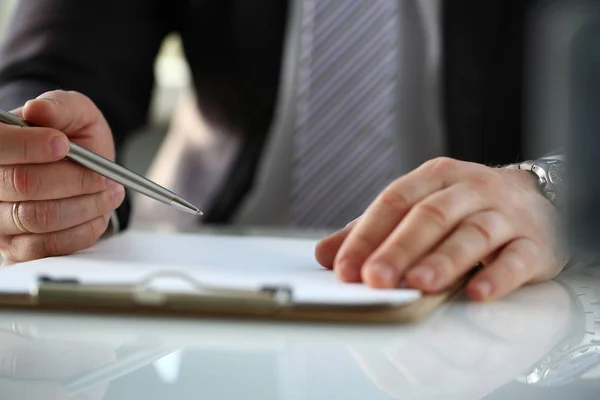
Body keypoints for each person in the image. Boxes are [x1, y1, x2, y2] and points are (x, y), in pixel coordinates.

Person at [0, 0, 568, 302]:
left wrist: (552, 188)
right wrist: (38, 157)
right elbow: (52, 65)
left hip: (492, 296)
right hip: (194, 283)